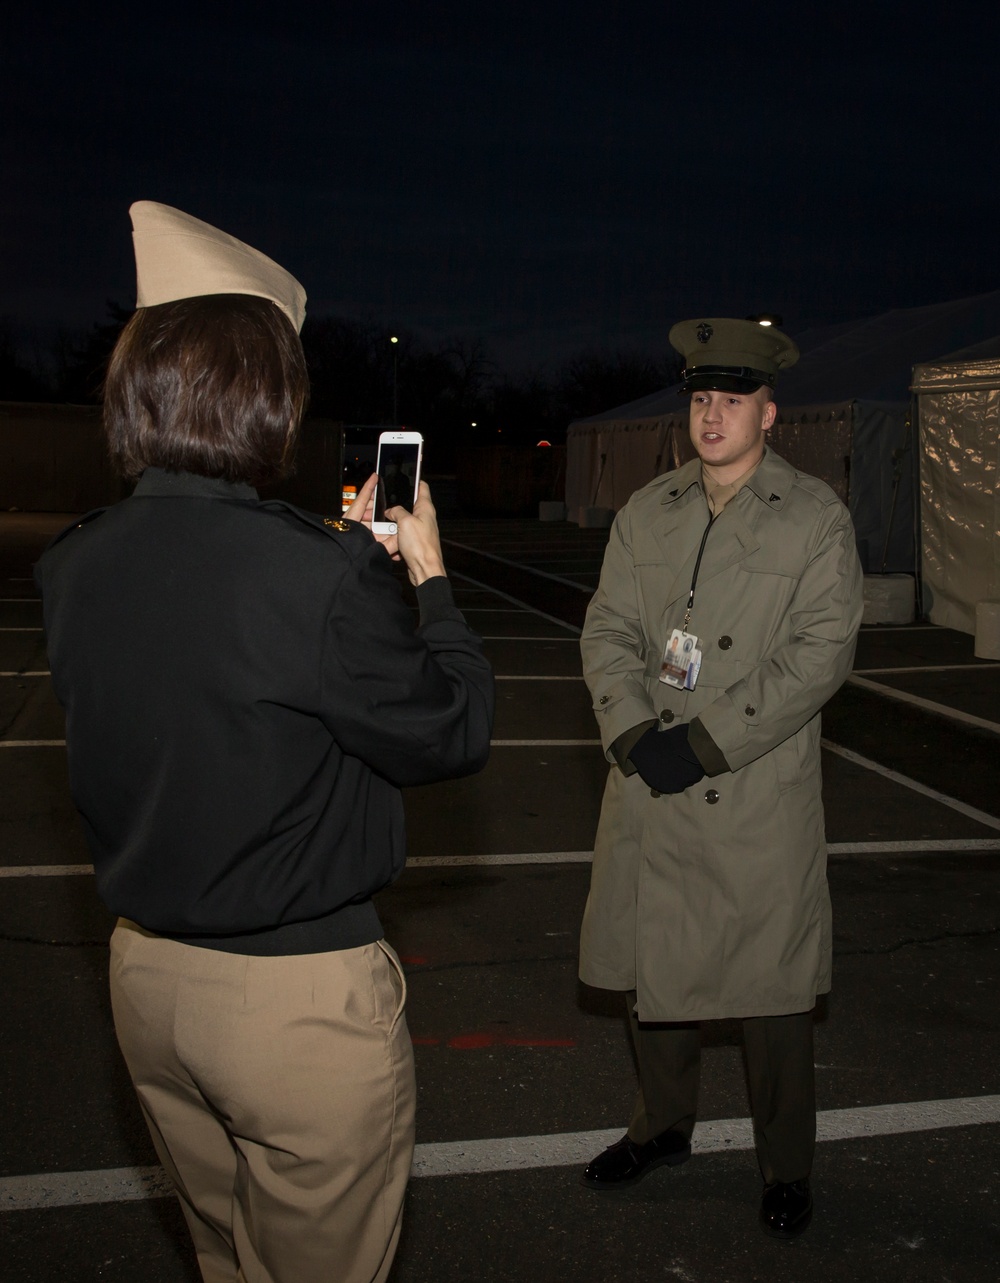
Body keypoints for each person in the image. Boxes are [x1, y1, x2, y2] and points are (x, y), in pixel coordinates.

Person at [35, 202, 494, 1283]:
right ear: (265, 397)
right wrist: (426, 575)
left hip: (146, 983)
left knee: (222, 1251)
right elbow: (453, 726)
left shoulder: (75, 563)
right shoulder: (317, 575)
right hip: (293, 1004)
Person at [577, 317, 863, 1239]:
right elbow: (607, 630)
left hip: (747, 787)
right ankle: (662, 1126)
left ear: (768, 413)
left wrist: (700, 744)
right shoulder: (647, 510)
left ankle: (786, 1166)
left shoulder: (816, 516)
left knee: (771, 993)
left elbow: (819, 656)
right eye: (700, 398)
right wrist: (627, 731)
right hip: (649, 783)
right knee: (651, 973)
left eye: (731, 400)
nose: (711, 415)